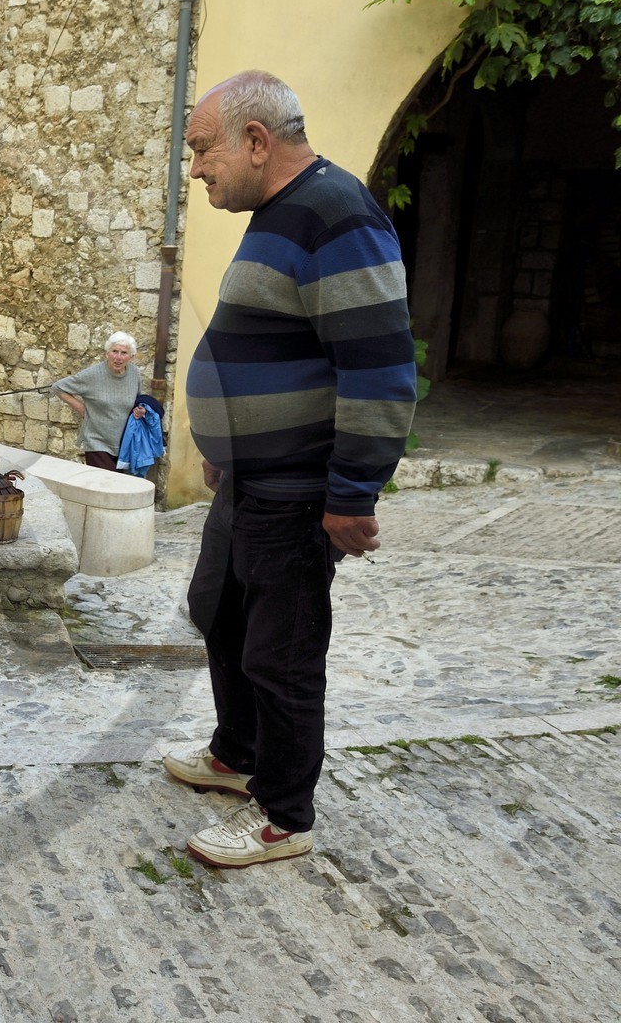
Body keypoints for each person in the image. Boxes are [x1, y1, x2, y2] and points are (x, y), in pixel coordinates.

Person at [165, 70, 416, 867]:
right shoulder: (283, 212)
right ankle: (238, 756)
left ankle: (284, 816)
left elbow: (378, 367)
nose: (196, 168)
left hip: (299, 492)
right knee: (223, 617)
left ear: (256, 141)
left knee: (283, 652)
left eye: (203, 149)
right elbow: (276, 345)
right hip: (249, 480)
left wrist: (352, 492)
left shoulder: (337, 215)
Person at [53, 332, 147, 470]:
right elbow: (58, 387)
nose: (118, 357)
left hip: (125, 441)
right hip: (97, 441)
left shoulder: (134, 373)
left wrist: (140, 410)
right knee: (104, 486)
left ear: (131, 357)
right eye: (114, 351)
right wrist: (82, 409)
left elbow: (137, 401)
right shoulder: (93, 374)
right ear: (107, 353)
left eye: (124, 353)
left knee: (120, 486)